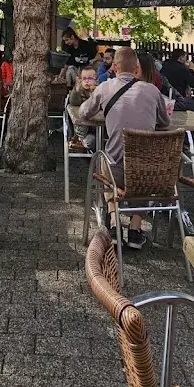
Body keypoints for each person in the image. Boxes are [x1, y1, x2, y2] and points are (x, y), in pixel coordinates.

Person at [80, 46, 171, 250]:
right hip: (144, 174)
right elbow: (165, 122)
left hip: (115, 171)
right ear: (137, 67)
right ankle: (135, 229)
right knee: (147, 163)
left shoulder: (105, 88)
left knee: (103, 158)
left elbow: (84, 113)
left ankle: (113, 222)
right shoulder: (152, 91)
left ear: (114, 67)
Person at [67, 63, 98, 151]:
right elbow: (73, 102)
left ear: (96, 80)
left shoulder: (99, 91)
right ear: (80, 80)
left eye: (90, 78)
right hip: (84, 130)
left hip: (99, 127)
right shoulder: (79, 91)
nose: (87, 81)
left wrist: (95, 93)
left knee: (102, 140)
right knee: (90, 141)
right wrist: (76, 89)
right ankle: (83, 145)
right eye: (84, 78)